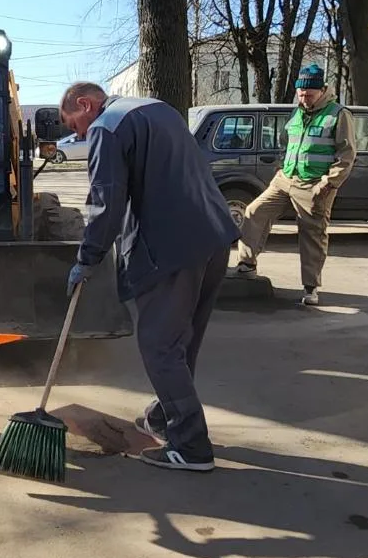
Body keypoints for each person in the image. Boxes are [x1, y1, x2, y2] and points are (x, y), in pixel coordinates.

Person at [60, 82, 240, 472]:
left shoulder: (107, 127)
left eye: (74, 125)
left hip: (172, 247)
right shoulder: (157, 108)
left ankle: (192, 447)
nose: (78, 135)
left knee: (159, 345)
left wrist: (87, 259)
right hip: (213, 237)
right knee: (180, 341)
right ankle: (165, 416)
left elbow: (105, 203)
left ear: (86, 104)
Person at [229, 63, 357, 306]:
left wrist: (327, 184)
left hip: (314, 184)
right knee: (255, 211)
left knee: (312, 234)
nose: (304, 99)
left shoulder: (338, 114)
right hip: (286, 178)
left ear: (321, 91)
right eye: (300, 94)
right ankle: (247, 264)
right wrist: (281, 167)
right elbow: (287, 141)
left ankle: (311, 288)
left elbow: (347, 155)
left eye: (308, 95)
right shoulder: (296, 111)